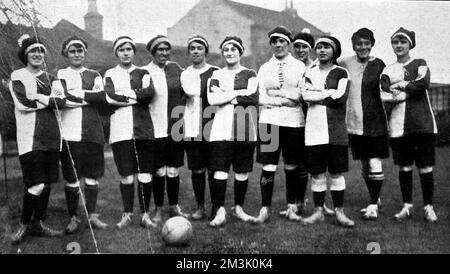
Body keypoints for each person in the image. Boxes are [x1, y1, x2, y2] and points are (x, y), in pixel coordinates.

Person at [9, 34, 65, 244]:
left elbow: (60, 102)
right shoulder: (18, 76)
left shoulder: (53, 77)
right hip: (29, 138)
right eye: (33, 50)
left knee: (47, 184)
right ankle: (24, 224)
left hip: (52, 137)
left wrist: (40, 97)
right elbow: (23, 104)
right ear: (25, 54)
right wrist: (48, 100)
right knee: (37, 184)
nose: (37, 54)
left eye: (41, 50)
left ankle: (38, 223)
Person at [380, 27, 438, 223]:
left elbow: (423, 82)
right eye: (395, 42)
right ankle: (407, 206)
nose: (399, 46)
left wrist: (402, 87)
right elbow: (385, 91)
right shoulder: (388, 69)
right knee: (404, 167)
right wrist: (394, 89)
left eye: (403, 42)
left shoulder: (420, 63)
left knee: (425, 167)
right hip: (398, 125)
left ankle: (428, 207)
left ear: (410, 44)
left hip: (422, 124)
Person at [301, 36, 355, 227]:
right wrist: (326, 93)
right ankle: (318, 211)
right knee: (317, 174)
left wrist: (318, 94)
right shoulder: (309, 71)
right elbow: (305, 95)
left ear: (334, 51)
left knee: (337, 173)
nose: (322, 50)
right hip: (314, 130)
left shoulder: (341, 72)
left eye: (326, 47)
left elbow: (340, 98)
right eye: (319, 47)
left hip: (335, 131)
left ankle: (339, 211)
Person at [58, 36, 108, 233]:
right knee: (72, 177)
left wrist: (76, 94)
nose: (77, 54)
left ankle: (92, 215)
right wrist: (86, 96)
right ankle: (73, 217)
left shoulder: (94, 74)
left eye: (80, 51)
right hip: (69, 133)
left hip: (92, 132)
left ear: (85, 53)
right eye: (72, 51)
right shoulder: (60, 73)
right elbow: (61, 99)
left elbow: (100, 97)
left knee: (92, 176)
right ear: (66, 54)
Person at [255, 26, 306, 223]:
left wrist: (277, 93)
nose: (278, 45)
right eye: (274, 41)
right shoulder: (264, 68)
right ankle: (265, 207)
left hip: (293, 122)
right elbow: (259, 96)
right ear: (271, 44)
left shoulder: (299, 67)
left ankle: (291, 206)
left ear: (288, 44)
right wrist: (281, 99)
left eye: (282, 41)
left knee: (292, 165)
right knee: (268, 166)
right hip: (269, 121)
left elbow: (299, 95)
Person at [104, 36, 156, 229]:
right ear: (116, 52)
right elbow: (109, 97)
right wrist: (136, 95)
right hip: (120, 132)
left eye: (128, 49)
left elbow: (149, 94)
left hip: (143, 131)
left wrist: (124, 94)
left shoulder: (143, 72)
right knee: (126, 175)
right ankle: (127, 214)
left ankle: (145, 215)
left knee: (145, 175)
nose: (125, 53)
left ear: (133, 52)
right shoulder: (110, 73)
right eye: (121, 49)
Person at [207, 36, 259, 227]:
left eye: (233, 49)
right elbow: (212, 99)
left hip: (245, 128)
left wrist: (226, 95)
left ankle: (238, 208)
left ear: (240, 52)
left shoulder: (250, 73)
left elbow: (253, 96)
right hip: (220, 129)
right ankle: (220, 210)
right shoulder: (216, 74)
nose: (229, 53)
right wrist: (239, 93)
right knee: (220, 170)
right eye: (226, 50)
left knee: (242, 171)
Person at [339, 28, 389, 220]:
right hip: (353, 121)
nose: (363, 47)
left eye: (366, 43)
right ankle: (374, 199)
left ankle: (373, 204)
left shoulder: (379, 64)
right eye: (359, 44)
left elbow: (388, 84)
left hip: (374, 120)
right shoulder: (344, 63)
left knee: (374, 160)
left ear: (372, 44)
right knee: (364, 163)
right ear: (353, 45)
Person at [143, 35, 189, 222]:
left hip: (176, 126)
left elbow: (187, 92)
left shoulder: (177, 68)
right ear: (153, 52)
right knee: (159, 171)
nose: (164, 53)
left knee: (173, 170)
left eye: (166, 49)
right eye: (160, 50)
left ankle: (174, 206)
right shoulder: (145, 71)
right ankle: (159, 209)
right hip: (156, 127)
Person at [292, 30, 335, 217]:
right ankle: (299, 201)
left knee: (318, 165)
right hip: (295, 121)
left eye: (304, 47)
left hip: (316, 122)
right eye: (297, 46)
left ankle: (321, 204)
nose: (300, 50)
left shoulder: (317, 68)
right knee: (299, 164)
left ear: (311, 49)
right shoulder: (292, 67)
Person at [180, 36, 219, 220]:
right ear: (189, 52)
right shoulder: (184, 73)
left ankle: (216, 208)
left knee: (213, 169)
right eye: (193, 48)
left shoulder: (216, 72)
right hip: (191, 127)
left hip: (211, 127)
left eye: (200, 48)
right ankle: (200, 207)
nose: (196, 51)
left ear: (206, 51)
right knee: (197, 169)